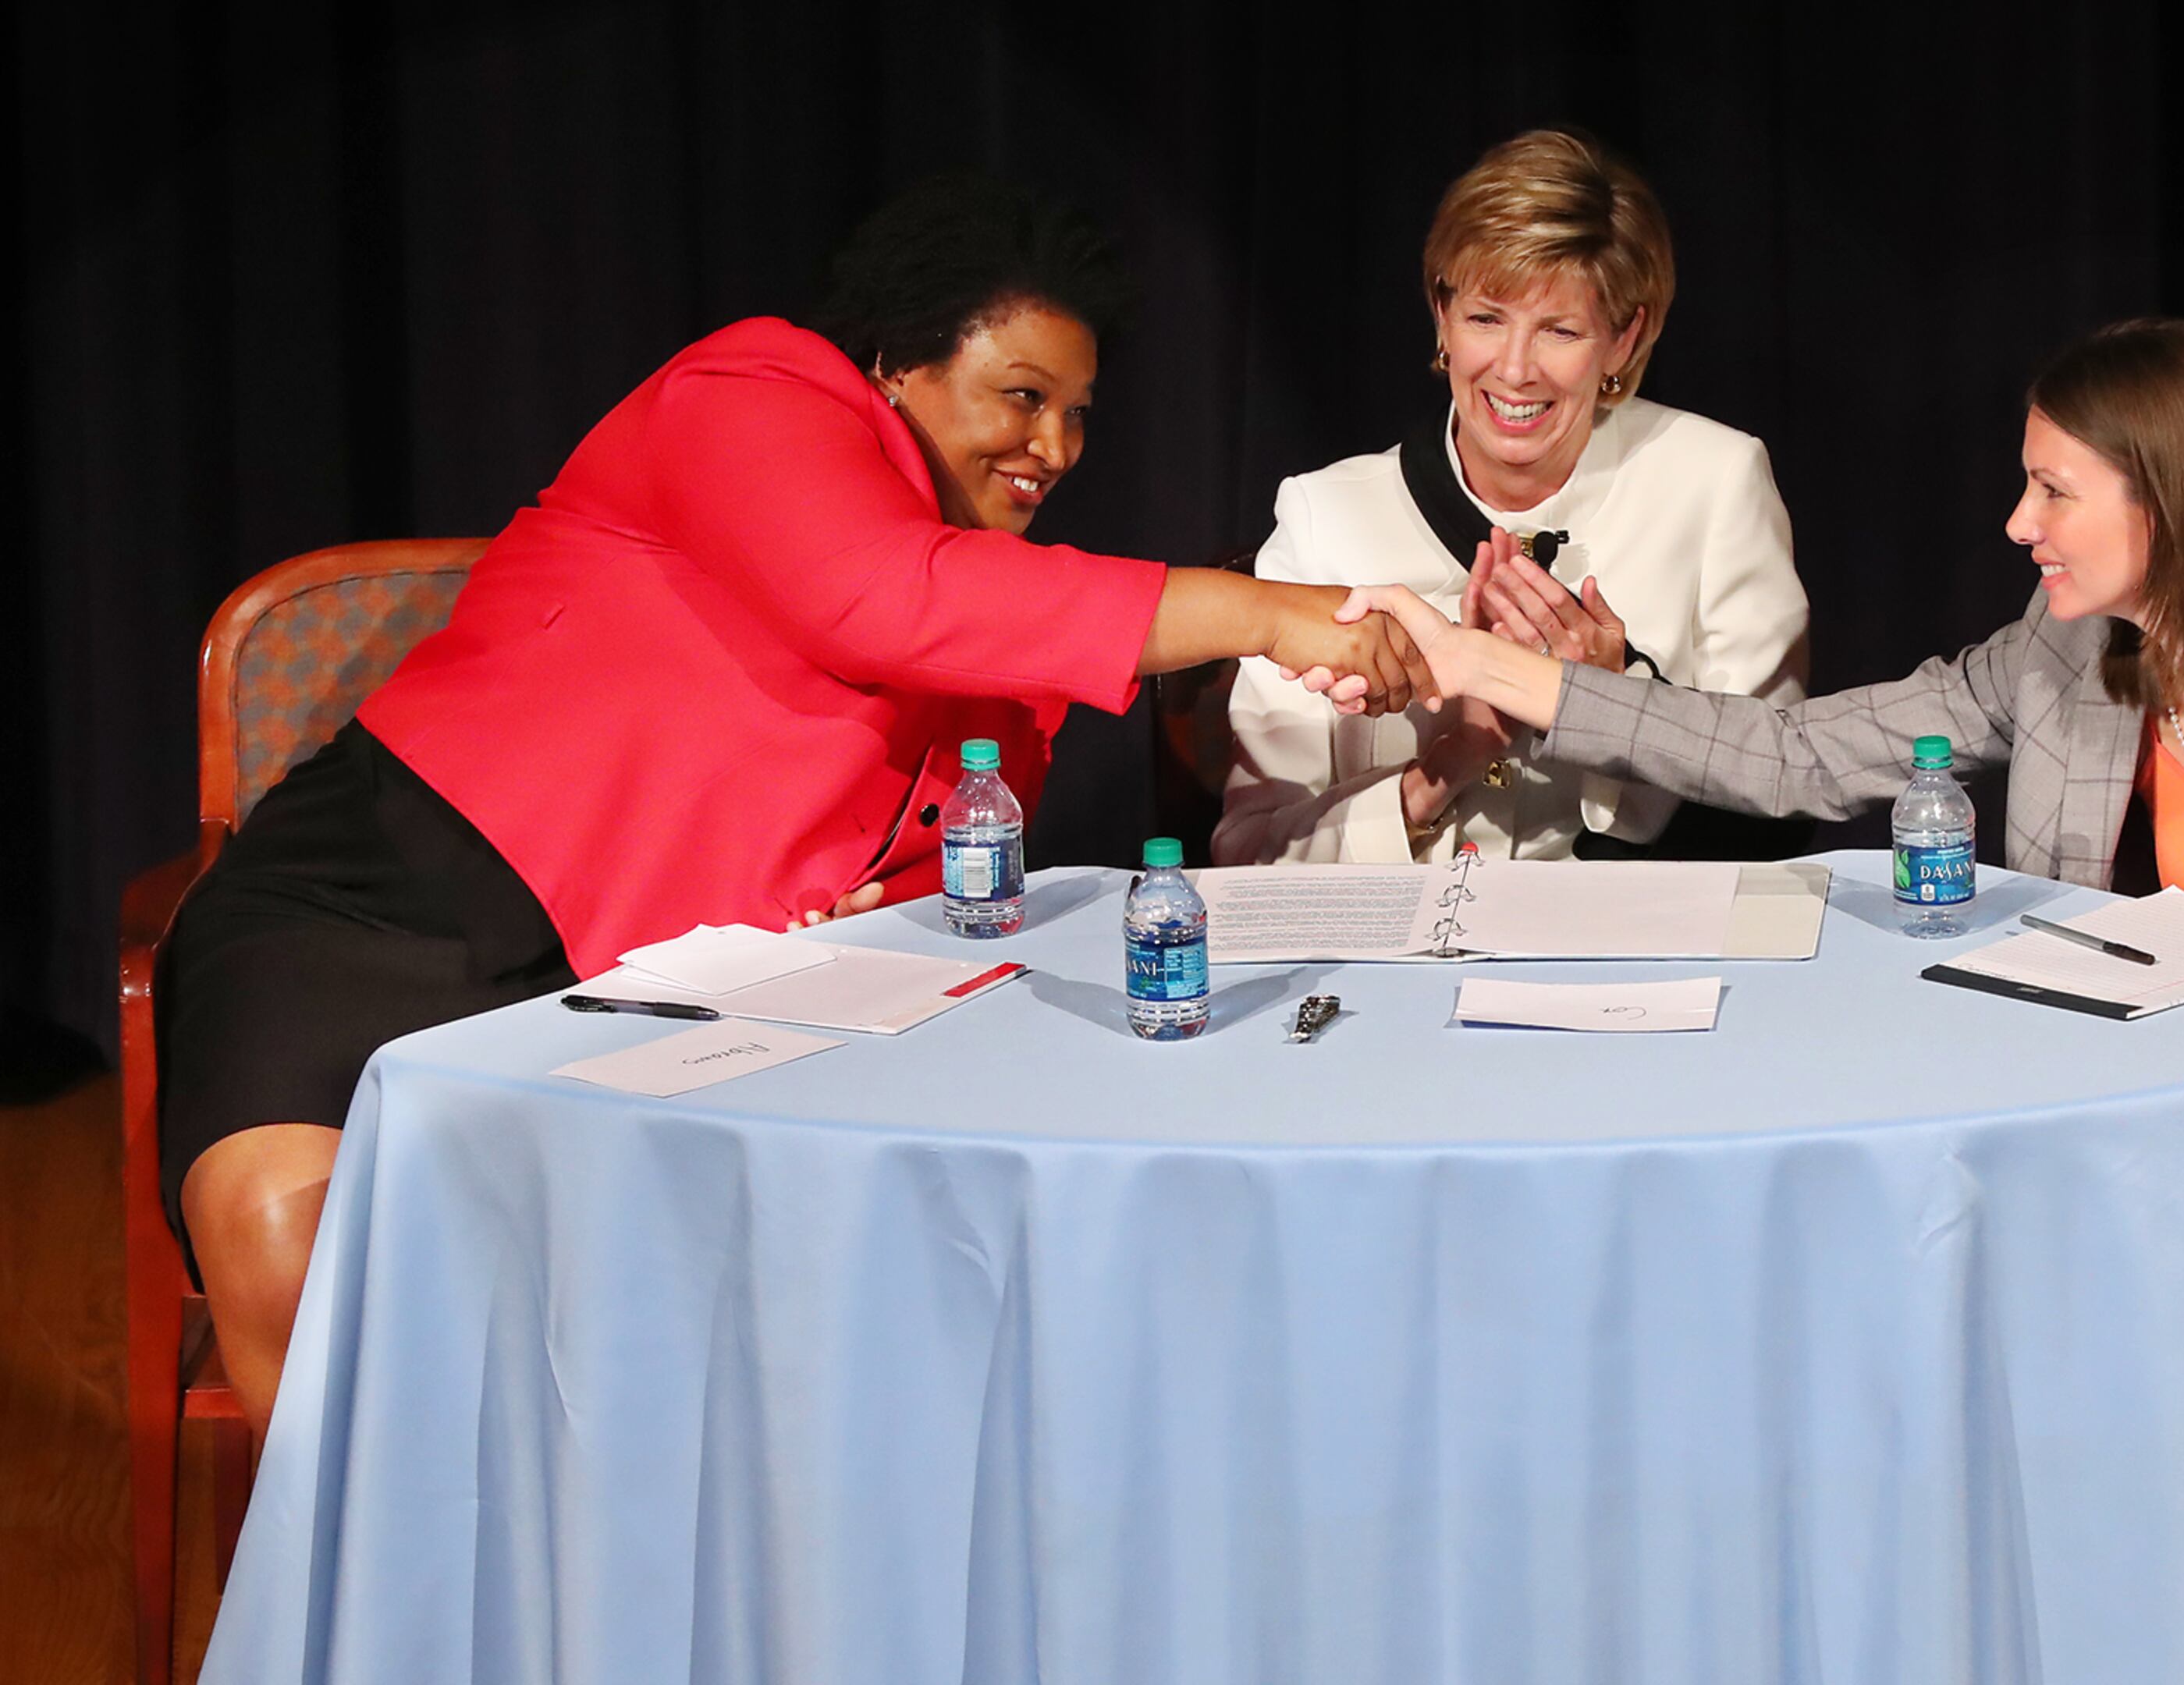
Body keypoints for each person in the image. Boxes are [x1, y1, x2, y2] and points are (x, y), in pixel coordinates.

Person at [159, 175, 1431, 1439]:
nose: (1056, 447)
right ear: (898, 371)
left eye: (1079, 413)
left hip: (634, 1004)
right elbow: (879, 596)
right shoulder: (753, 390)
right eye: (1021, 398)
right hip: (382, 902)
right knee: (304, 1270)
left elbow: (934, 879)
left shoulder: (1010, 622)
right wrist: (1270, 611)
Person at [1333, 317, 2184, 1149]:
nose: (2015, 525)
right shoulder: (2058, 657)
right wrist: (1495, 671)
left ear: (2177, 502)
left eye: (2052, 490)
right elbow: (1793, 755)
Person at [1214, 128, 1809, 866]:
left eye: (1560, 330)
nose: (1517, 369)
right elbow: (1247, 855)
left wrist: (1617, 707)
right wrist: (1453, 761)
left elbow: (1776, 809)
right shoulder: (1324, 514)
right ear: (1442, 312)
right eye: (1487, 319)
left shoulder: (1716, 479)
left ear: (1626, 339)